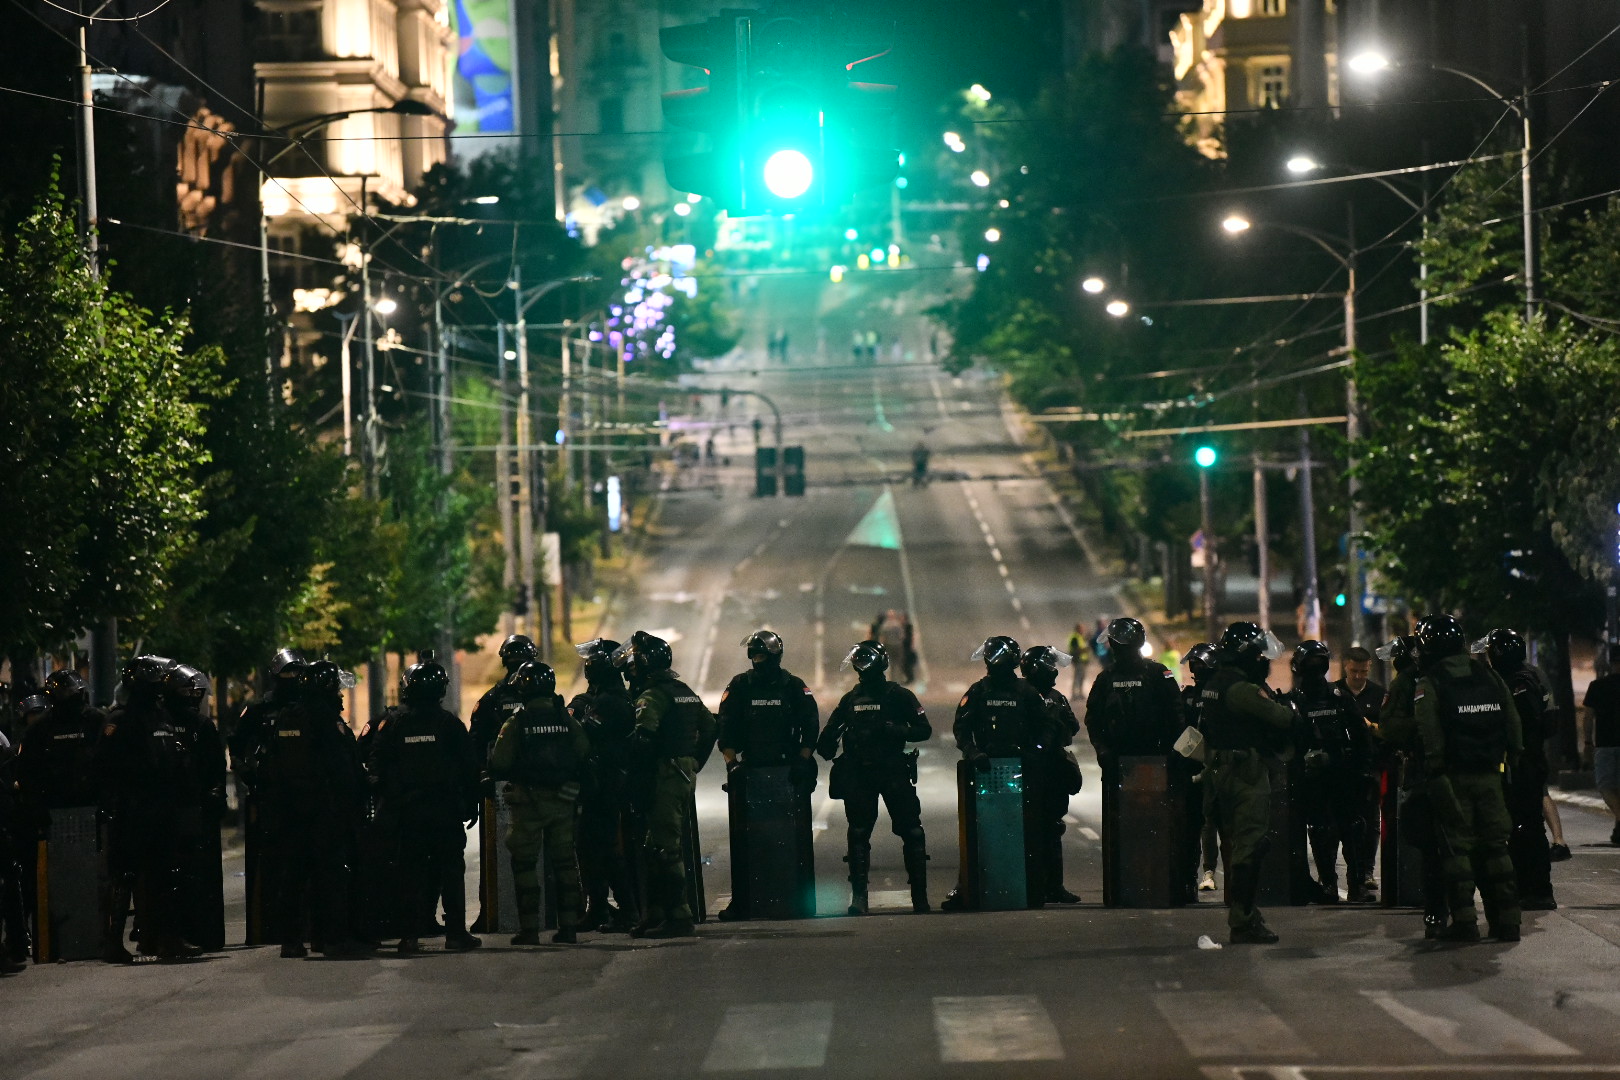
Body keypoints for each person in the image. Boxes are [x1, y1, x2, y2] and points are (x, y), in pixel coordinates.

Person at [1412, 614, 1523, 942]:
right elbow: (1513, 723)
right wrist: (1510, 761)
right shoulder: (1488, 674)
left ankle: (1464, 924)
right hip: (1491, 775)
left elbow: (1428, 730)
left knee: (1457, 852)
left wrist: (1434, 768)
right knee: (1496, 849)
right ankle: (1508, 922)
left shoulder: (1429, 681)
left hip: (1452, 778)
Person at [367, 653, 481, 954]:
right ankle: (456, 933)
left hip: (409, 813)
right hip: (444, 811)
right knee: (451, 872)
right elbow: (470, 768)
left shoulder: (392, 725)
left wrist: (388, 802)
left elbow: (376, 766)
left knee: (410, 874)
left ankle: (409, 936)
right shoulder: (450, 725)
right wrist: (471, 805)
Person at [95, 655, 205, 962]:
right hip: (132, 809)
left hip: (162, 807)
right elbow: (104, 767)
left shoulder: (161, 717)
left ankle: (166, 940)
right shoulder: (119, 719)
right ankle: (113, 942)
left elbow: (174, 757)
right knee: (125, 876)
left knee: (166, 875)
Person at [254, 659, 365, 958]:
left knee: (293, 876)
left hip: (290, 812)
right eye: (338, 688)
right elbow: (342, 770)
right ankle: (330, 940)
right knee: (329, 876)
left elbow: (271, 764)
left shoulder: (288, 717)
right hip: (323, 813)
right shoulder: (327, 721)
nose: (341, 694)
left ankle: (291, 941)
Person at [613, 631, 717, 938]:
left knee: (665, 848)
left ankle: (678, 916)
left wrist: (630, 771)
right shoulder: (682, 689)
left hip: (663, 773)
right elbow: (710, 726)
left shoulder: (652, 695)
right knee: (653, 845)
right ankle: (656, 915)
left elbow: (644, 739)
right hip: (681, 772)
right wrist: (694, 760)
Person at [816, 642, 932, 915]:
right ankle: (859, 897)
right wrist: (827, 743)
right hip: (859, 772)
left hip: (892, 770)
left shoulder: (899, 696)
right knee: (858, 833)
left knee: (912, 831)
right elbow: (829, 735)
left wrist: (894, 730)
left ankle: (920, 897)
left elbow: (923, 729)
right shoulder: (850, 700)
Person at [715, 631, 819, 921]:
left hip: (787, 773)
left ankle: (800, 901)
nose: (757, 661)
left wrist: (802, 760)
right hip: (751, 774)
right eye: (754, 655)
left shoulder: (794, 687)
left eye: (762, 655)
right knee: (745, 842)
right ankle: (743, 902)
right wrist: (732, 764)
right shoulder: (739, 686)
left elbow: (811, 725)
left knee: (792, 843)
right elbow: (725, 728)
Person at [944, 635, 1053, 910]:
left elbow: (1047, 728)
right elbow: (961, 729)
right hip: (986, 771)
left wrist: (1033, 753)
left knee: (1029, 830)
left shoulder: (1027, 692)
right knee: (979, 832)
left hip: (1022, 772)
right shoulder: (978, 692)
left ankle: (1032, 889)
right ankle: (969, 887)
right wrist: (974, 754)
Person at [1200, 622, 1292, 944]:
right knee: (1250, 847)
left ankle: (1245, 914)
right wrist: (1289, 709)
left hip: (1220, 772)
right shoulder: (1241, 689)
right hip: (1245, 773)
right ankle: (1243, 919)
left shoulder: (1214, 682)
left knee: (1238, 844)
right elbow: (1282, 718)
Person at [1084, 618, 1186, 906]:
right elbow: (1094, 719)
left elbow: (1176, 716)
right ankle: (1124, 888)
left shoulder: (1158, 674)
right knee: (1123, 829)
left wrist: (1173, 753)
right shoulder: (1107, 679)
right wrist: (1103, 751)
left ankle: (1161, 885)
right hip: (1120, 765)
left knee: (1158, 827)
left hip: (1155, 763)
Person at [489, 661, 590, 945]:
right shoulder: (566, 719)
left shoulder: (516, 723)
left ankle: (530, 929)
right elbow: (583, 752)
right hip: (562, 802)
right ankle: (569, 927)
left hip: (528, 803)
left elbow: (499, 762)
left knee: (524, 865)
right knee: (565, 865)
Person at [1289, 641, 1375, 904]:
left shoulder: (1338, 696)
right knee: (1321, 831)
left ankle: (1356, 883)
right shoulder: (1295, 701)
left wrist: (1363, 770)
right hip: (1313, 779)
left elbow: (1360, 736)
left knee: (1352, 828)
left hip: (1343, 774)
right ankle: (1328, 884)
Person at [1479, 629, 1556, 910]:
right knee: (1525, 826)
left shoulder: (1517, 684)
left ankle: (1536, 889)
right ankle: (1530, 887)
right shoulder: (1529, 676)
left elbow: (1522, 729)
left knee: (1527, 827)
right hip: (1530, 762)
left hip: (1523, 764)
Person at [468, 634, 538, 932]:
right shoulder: (542, 694)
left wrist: (483, 777)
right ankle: (554, 913)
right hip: (540, 785)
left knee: (494, 852)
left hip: (501, 787)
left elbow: (474, 745)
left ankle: (491, 912)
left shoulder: (491, 700)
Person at [569, 639, 639, 933]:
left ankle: (627, 910)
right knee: (590, 847)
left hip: (607, 783)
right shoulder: (609, 697)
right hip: (602, 782)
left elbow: (585, 735)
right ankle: (598, 907)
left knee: (605, 849)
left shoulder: (609, 701)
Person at [1020, 646, 1083, 904]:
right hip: (1029, 768)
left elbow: (1073, 729)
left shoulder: (1057, 697)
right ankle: (1032, 885)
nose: (1054, 670)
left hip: (1054, 771)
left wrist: (1063, 720)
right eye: (1048, 665)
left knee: (1053, 828)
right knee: (1029, 828)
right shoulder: (1022, 695)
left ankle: (1054, 886)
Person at [1180, 643, 1220, 893]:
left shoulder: (1222, 695)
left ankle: (1211, 872)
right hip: (1192, 767)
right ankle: (1195, 875)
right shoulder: (1188, 696)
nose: (1197, 670)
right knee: (1198, 822)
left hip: (1219, 765)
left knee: (1215, 821)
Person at [1582, 646, 1620, 846]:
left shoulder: (1597, 686)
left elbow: (1588, 717)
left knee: (1606, 786)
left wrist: (1588, 742)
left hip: (1605, 743)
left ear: (1611, 663)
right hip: (1607, 744)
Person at [1066, 624, 1095, 698]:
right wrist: (1084, 650)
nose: (1083, 630)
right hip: (1078, 660)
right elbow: (1075, 649)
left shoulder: (1080, 637)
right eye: (1082, 629)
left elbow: (1085, 643)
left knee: (1081, 677)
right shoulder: (1075, 638)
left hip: (1082, 661)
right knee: (1078, 677)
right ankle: (1075, 694)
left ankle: (1079, 693)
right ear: (1078, 629)